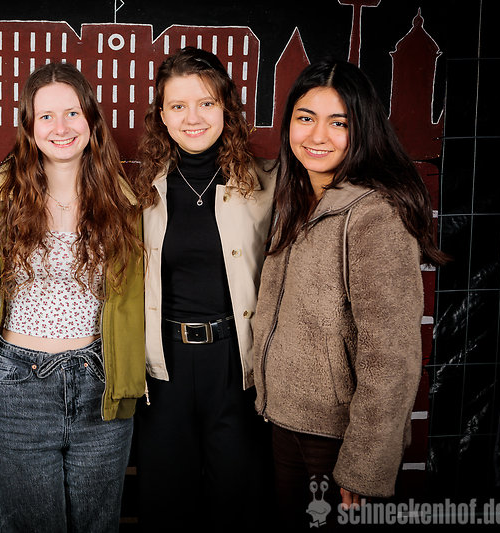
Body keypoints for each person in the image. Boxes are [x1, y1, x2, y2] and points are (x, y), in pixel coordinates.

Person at [251, 59, 448, 527]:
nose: (318, 136)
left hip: (338, 437)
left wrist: (364, 465)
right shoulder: (296, 195)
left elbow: (393, 355)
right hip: (284, 419)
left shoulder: (374, 214)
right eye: (306, 118)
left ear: (362, 129)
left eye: (338, 123)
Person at [0, 61, 145, 532]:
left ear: (90, 118)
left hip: (100, 382)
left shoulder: (125, 203)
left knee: (98, 525)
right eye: (46, 116)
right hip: (19, 386)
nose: (61, 127)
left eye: (72, 113)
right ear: (29, 127)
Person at [131, 46, 275, 531]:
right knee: (165, 504)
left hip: (235, 364)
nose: (192, 118)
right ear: (162, 115)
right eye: (178, 106)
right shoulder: (142, 190)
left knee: (238, 502)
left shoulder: (265, 184)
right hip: (164, 366)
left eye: (206, 103)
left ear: (226, 108)